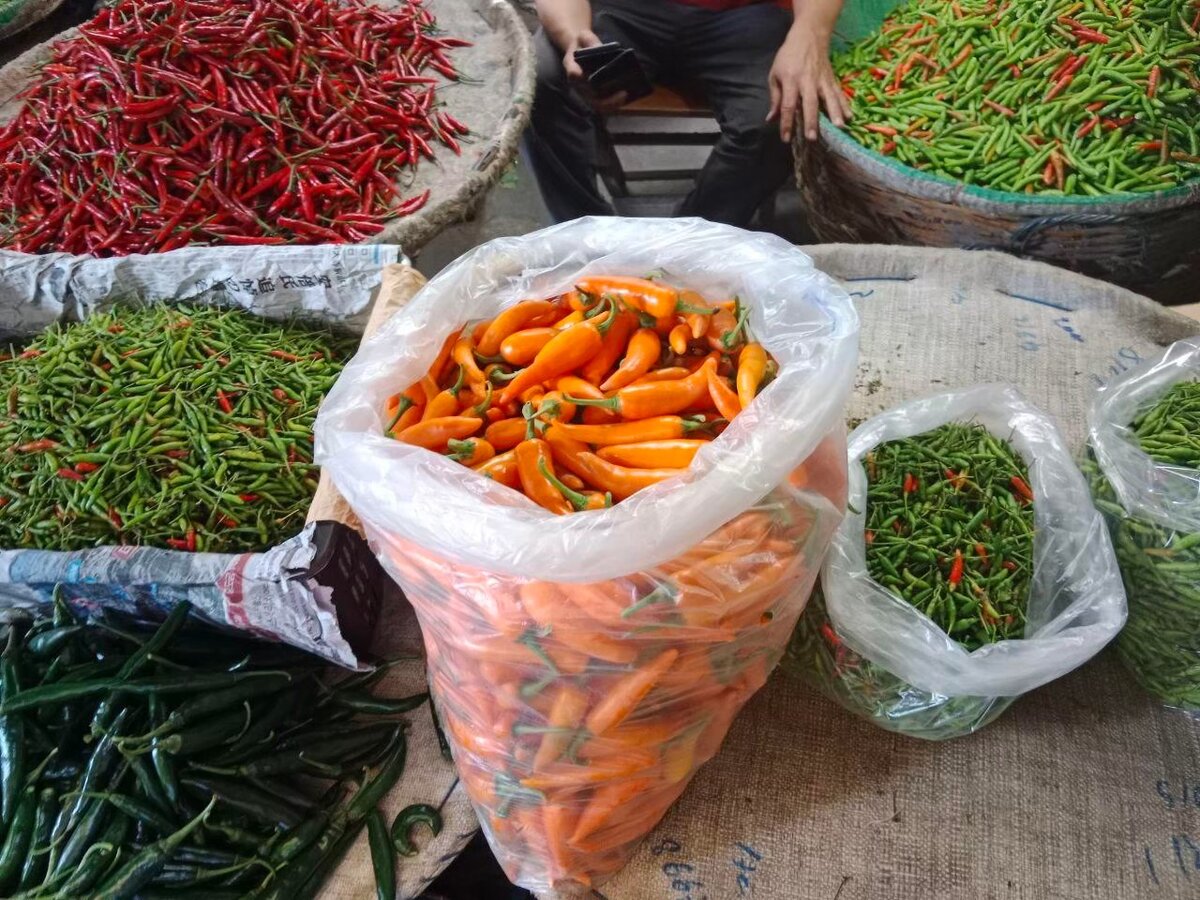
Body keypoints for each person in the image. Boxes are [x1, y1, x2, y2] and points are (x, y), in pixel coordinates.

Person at [525, 0, 850, 227]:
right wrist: (573, 36)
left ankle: (692, 239)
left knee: (781, 111)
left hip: (748, 15)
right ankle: (582, 232)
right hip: (626, 9)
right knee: (543, 75)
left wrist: (810, 35)